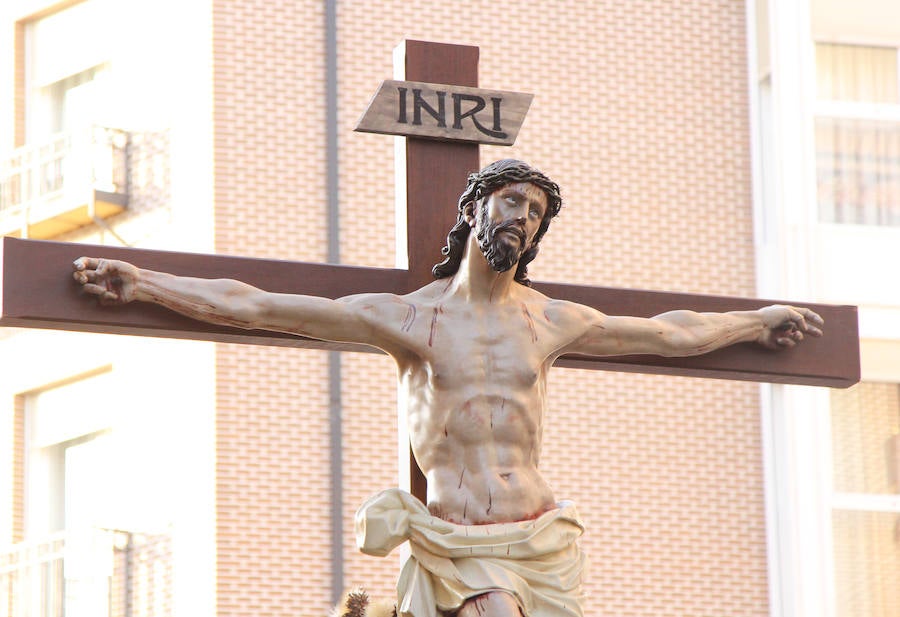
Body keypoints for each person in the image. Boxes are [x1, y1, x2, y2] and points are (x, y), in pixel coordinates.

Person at [72, 159, 823, 617]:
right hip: (461, 542)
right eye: (511, 203)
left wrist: (756, 321)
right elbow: (259, 305)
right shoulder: (410, 320)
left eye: (533, 213)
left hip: (542, 539)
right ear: (473, 212)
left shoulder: (550, 320)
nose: (523, 219)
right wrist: (144, 281)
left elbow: (671, 332)